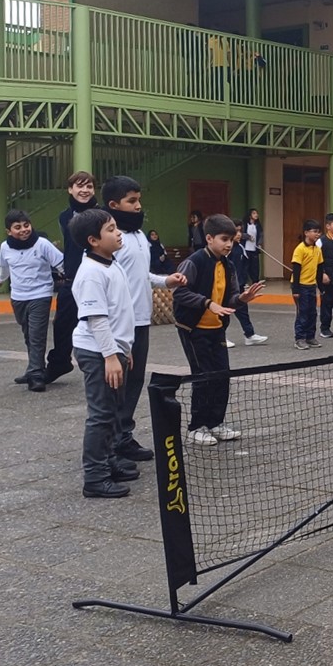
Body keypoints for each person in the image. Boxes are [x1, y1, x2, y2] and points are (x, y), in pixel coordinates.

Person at [104, 176, 186, 463]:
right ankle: (109, 445)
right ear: (114, 205)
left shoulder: (139, 236)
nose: (138, 206)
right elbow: (108, 281)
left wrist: (165, 281)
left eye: (139, 200)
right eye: (131, 201)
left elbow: (141, 275)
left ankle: (123, 436)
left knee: (134, 382)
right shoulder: (111, 239)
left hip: (141, 321)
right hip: (119, 325)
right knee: (116, 386)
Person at [172, 214, 268, 446]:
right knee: (203, 377)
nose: (228, 245)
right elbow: (179, 292)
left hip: (217, 329)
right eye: (224, 239)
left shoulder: (228, 265)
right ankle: (196, 427)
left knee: (222, 375)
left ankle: (216, 423)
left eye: (232, 240)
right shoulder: (194, 262)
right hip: (193, 329)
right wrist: (207, 303)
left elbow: (231, 298)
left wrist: (242, 299)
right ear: (209, 238)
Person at [67, 209, 137, 499]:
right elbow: (96, 319)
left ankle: (109, 461)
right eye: (110, 229)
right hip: (97, 351)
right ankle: (95, 477)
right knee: (101, 414)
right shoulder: (91, 273)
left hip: (113, 349)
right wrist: (110, 356)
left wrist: (124, 350)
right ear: (93, 240)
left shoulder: (111, 263)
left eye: (116, 227)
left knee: (113, 411)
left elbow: (119, 312)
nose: (118, 233)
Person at [0, 209, 64, 392]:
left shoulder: (42, 244)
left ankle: (36, 375)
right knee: (28, 334)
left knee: (36, 335)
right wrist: (1, 279)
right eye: (17, 227)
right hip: (18, 297)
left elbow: (61, 263)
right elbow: (4, 267)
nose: (23, 230)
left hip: (40, 295)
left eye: (26, 225)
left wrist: (73, 279)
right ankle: (33, 368)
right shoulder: (5, 247)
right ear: (9, 231)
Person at [45, 171, 98, 384]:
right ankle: (59, 363)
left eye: (89, 186)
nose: (85, 190)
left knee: (98, 323)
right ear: (70, 189)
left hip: (96, 279)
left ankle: (105, 365)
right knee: (62, 324)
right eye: (80, 186)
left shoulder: (102, 215)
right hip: (71, 280)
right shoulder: (64, 216)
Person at [226, 219, 270, 348]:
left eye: (240, 231)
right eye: (236, 232)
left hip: (239, 285)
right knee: (224, 311)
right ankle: (220, 337)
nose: (239, 234)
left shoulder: (240, 247)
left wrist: (245, 281)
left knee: (243, 310)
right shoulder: (227, 250)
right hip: (227, 286)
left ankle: (249, 335)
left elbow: (244, 267)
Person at [290, 220, 324, 350]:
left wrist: (321, 288)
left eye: (319, 232)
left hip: (311, 286)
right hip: (301, 286)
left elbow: (319, 270)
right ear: (306, 233)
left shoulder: (317, 250)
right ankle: (300, 338)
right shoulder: (300, 249)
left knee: (312, 312)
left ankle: (310, 337)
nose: (317, 234)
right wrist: (296, 289)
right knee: (302, 313)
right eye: (314, 231)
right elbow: (296, 270)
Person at [242, 208, 263, 283]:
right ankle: (244, 282)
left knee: (255, 267)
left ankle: (255, 282)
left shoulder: (258, 226)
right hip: (246, 249)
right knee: (245, 266)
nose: (256, 215)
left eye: (257, 213)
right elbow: (241, 234)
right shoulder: (244, 225)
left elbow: (261, 235)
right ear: (250, 215)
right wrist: (248, 237)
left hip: (254, 249)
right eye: (254, 213)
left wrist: (259, 243)